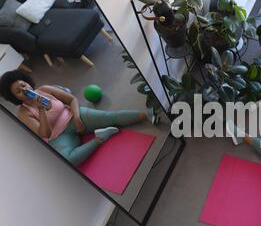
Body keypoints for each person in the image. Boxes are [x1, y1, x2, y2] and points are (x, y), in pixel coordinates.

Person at [0, 70, 151, 166]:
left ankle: (150, 114)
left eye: (23, 85)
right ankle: (100, 138)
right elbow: (44, 134)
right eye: (19, 91)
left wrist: (77, 118)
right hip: (58, 137)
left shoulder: (44, 89)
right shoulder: (23, 113)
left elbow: (71, 100)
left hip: (74, 117)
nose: (24, 90)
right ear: (15, 98)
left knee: (110, 117)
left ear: (27, 82)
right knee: (68, 160)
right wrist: (40, 110)